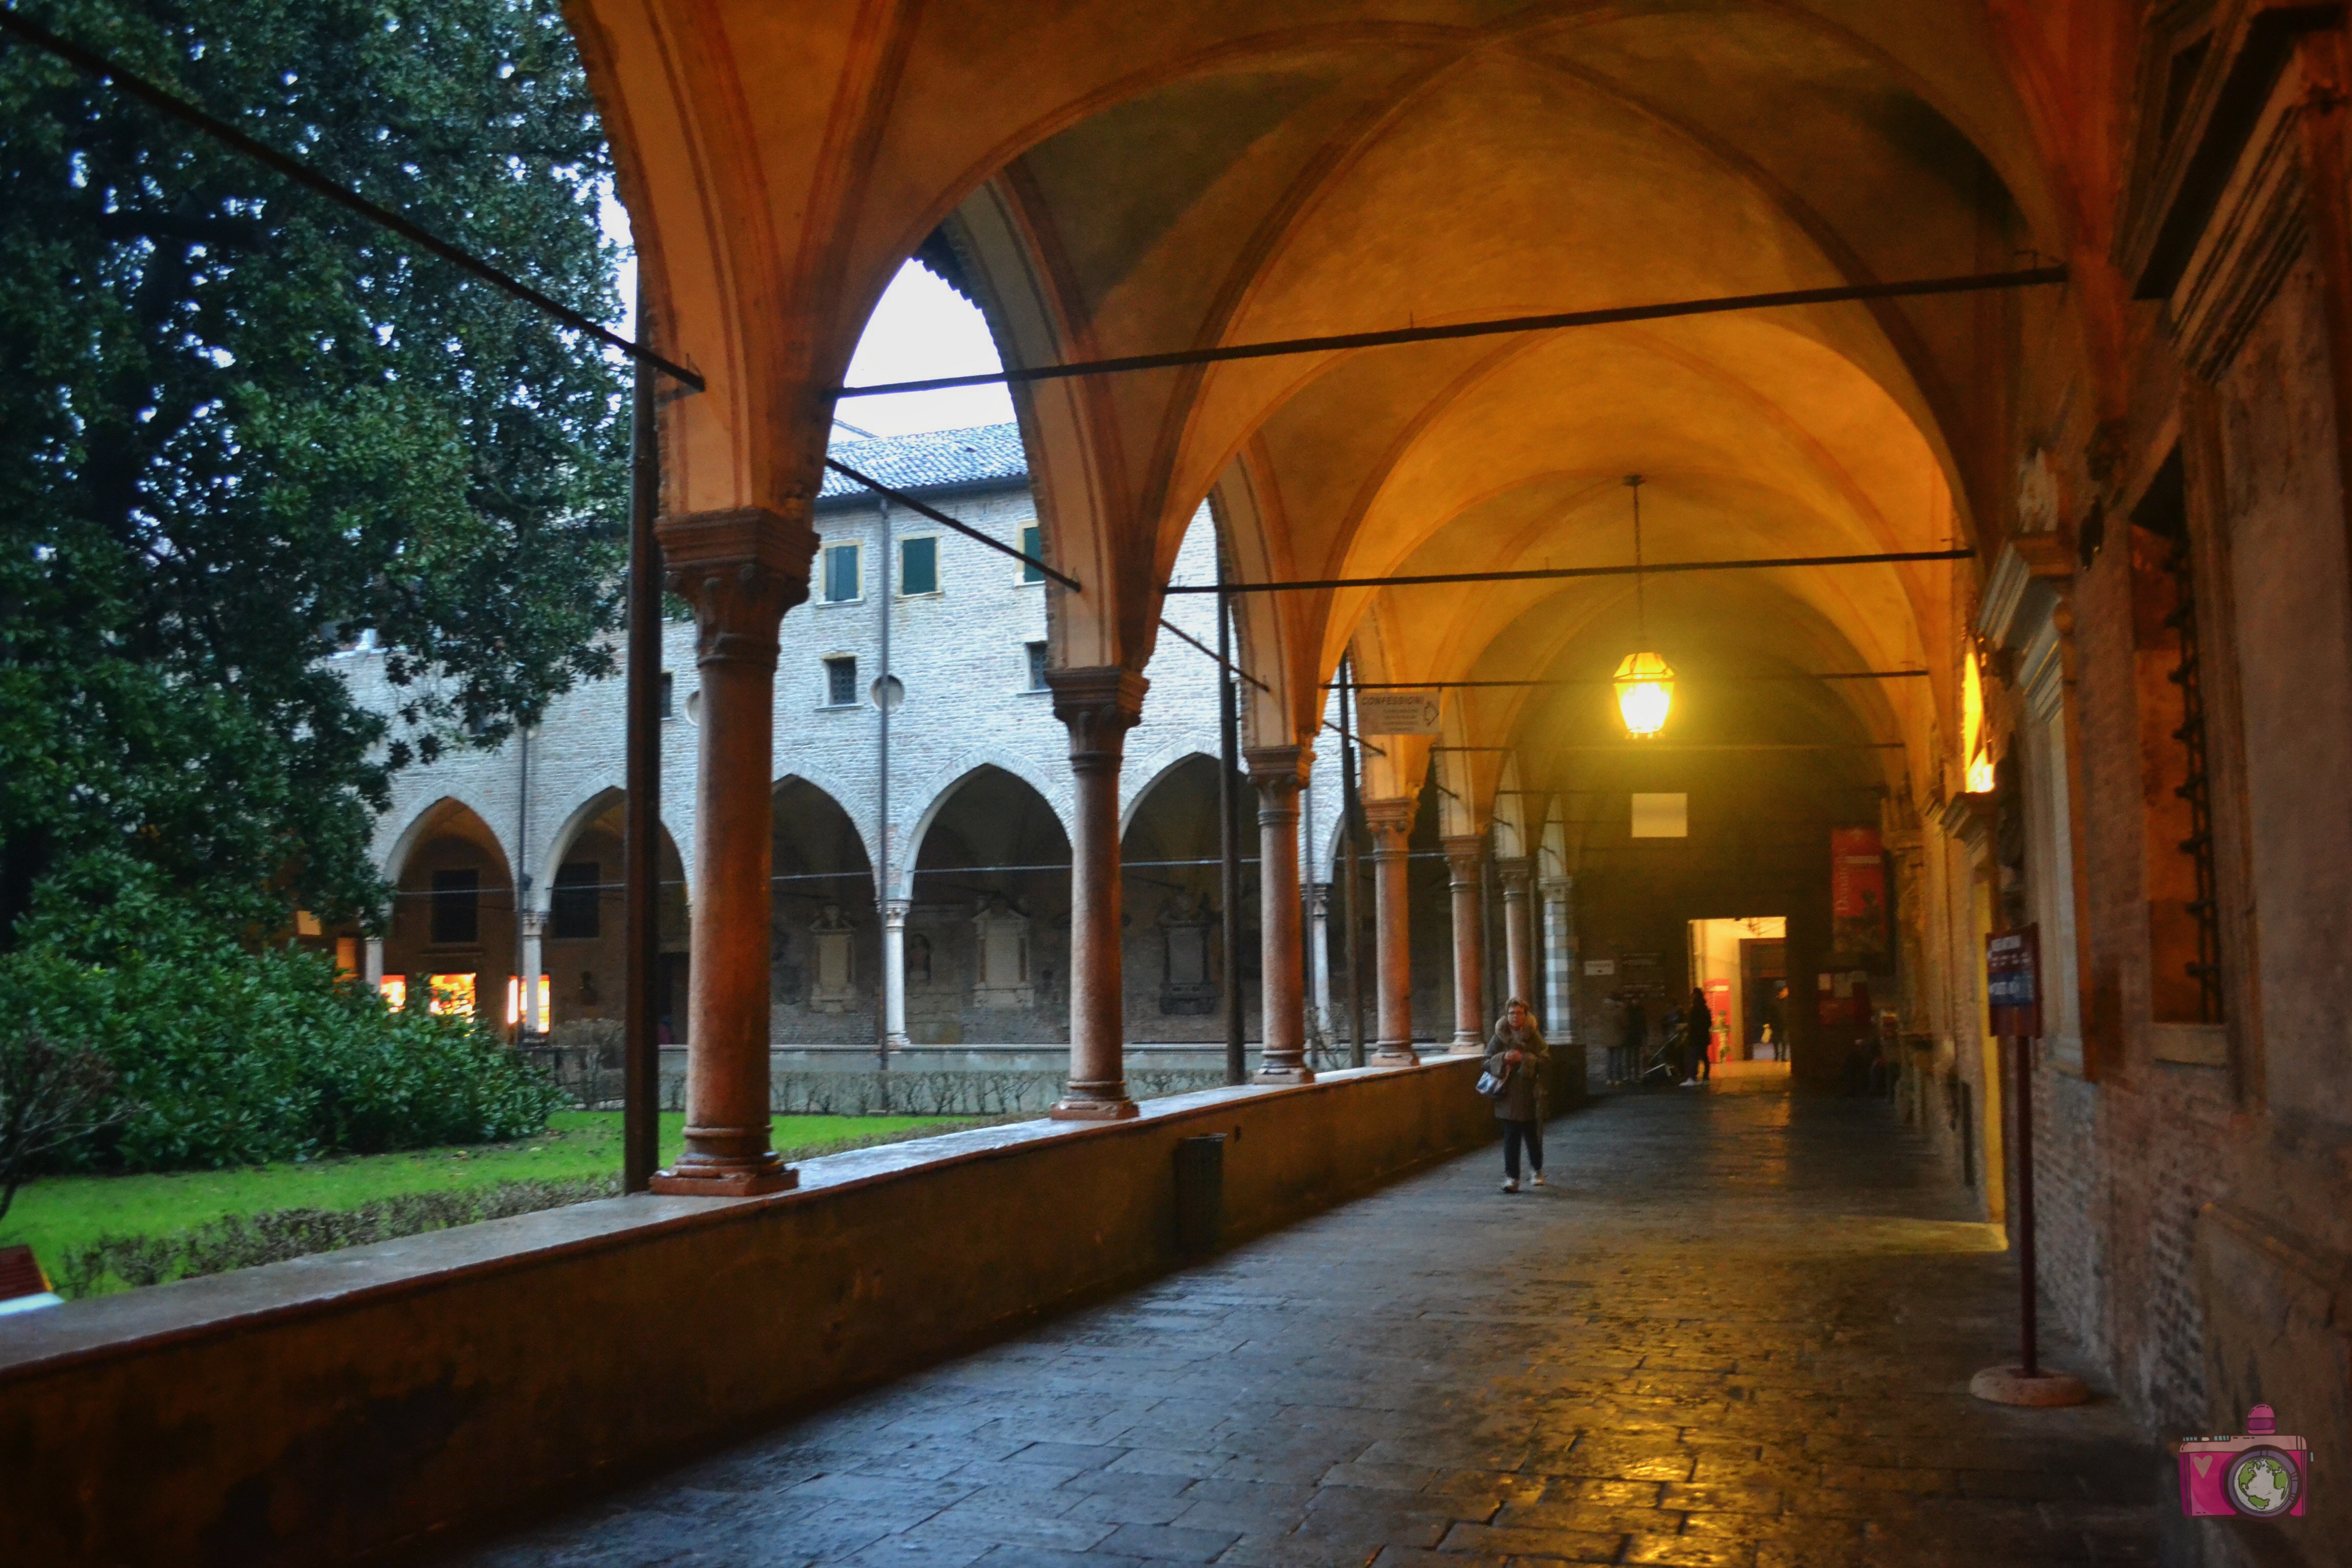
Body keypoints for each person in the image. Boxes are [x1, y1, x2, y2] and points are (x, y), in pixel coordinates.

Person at [1485, 996, 1550, 1193]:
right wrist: (1503, 1058)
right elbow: (1485, 1061)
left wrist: (1526, 1059)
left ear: (1526, 1014)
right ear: (1507, 1015)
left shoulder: (1533, 1036)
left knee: (1533, 1136)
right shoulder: (1500, 1036)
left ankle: (1536, 1170)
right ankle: (1512, 1177)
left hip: (1530, 1093)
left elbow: (1546, 1058)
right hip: (1508, 1094)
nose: (1515, 1017)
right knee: (1511, 1138)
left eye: (1519, 1013)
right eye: (1511, 1013)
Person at [1683, 987, 1712, 1084]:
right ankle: (1706, 1077)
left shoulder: (1696, 1008)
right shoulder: (1704, 1007)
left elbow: (1692, 1022)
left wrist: (1687, 1027)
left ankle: (1692, 1078)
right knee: (1704, 1056)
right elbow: (1708, 1022)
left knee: (1693, 1057)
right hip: (1704, 1036)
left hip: (1695, 1037)